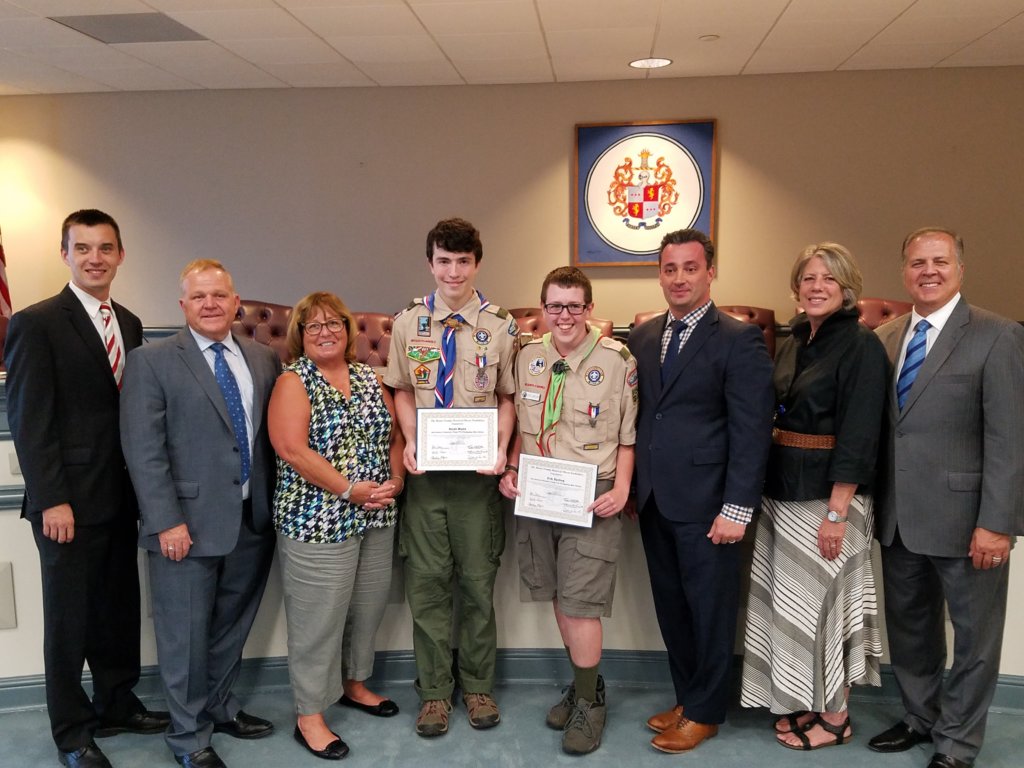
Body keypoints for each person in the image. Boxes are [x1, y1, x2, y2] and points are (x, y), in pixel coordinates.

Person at [4, 209, 169, 768]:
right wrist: (52, 498)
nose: (95, 258)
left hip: (122, 496)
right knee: (70, 619)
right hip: (66, 503)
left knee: (117, 609)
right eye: (83, 248)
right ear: (65, 255)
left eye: (106, 248)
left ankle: (117, 702)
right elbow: (30, 419)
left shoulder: (129, 321)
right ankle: (72, 730)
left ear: (120, 255)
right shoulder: (37, 322)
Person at [869, 228, 1024, 768]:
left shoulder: (997, 335)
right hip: (898, 520)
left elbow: (1009, 438)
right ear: (904, 271)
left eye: (939, 261)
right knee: (911, 631)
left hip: (968, 522)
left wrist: (998, 522)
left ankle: (957, 743)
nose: (927, 271)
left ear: (961, 269)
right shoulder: (886, 338)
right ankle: (920, 717)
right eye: (916, 262)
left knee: (975, 639)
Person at [120, 260, 280, 768]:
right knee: (184, 636)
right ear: (183, 305)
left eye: (220, 295)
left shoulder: (263, 358)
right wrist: (165, 520)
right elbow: (143, 449)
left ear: (237, 303)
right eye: (199, 296)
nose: (211, 304)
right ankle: (189, 737)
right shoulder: (152, 361)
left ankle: (219, 706)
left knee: (231, 627)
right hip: (183, 526)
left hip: (251, 520)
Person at [631, 228, 774, 754]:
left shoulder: (739, 340)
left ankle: (708, 712)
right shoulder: (644, 337)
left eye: (690, 268)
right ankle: (688, 698)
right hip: (654, 502)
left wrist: (737, 507)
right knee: (672, 607)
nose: (679, 278)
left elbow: (752, 430)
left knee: (710, 610)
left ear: (710, 271)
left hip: (712, 505)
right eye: (670, 269)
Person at [739, 243, 887, 750]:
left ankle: (837, 715)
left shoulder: (861, 345)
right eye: (808, 278)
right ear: (796, 288)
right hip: (783, 490)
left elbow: (861, 433)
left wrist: (837, 510)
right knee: (796, 609)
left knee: (826, 606)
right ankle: (808, 701)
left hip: (829, 499)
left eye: (828, 278)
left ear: (847, 288)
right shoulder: (797, 338)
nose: (816, 286)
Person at [383, 217, 518, 738]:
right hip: (426, 480)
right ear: (430, 263)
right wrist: (411, 440)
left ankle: (478, 685)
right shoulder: (408, 323)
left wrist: (501, 452)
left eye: (463, 261)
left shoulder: (500, 325)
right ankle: (436, 693)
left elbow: (507, 397)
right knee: (428, 588)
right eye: (444, 260)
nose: (454, 271)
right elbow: (399, 388)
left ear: (476, 263)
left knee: (479, 588)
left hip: (477, 481)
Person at [498, 267, 638, 755]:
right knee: (558, 592)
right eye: (555, 305)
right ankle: (585, 688)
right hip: (538, 491)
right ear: (542, 309)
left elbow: (627, 436)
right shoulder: (527, 357)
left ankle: (590, 705)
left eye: (574, 305)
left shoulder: (617, 359)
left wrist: (622, 489)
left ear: (590, 309)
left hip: (591, 494)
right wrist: (511, 470)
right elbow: (522, 428)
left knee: (581, 602)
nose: (564, 315)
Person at [268, 292, 405, 761]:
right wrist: (349, 489)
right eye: (314, 326)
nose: (326, 332)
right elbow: (291, 449)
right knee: (318, 620)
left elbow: (395, 435)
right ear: (300, 336)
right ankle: (309, 715)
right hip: (316, 519)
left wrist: (396, 479)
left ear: (348, 331)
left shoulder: (371, 377)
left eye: (335, 324)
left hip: (376, 514)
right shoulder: (294, 380)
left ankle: (355, 684)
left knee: (366, 610)